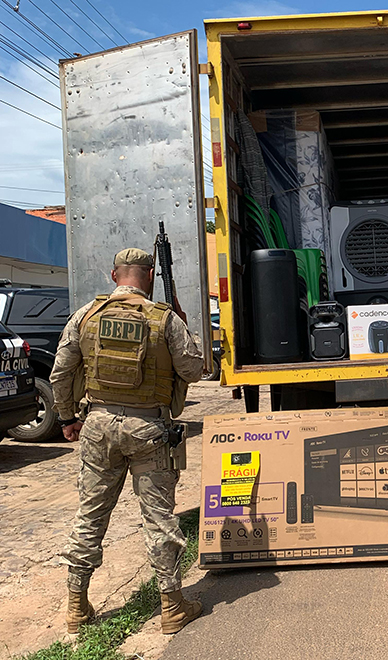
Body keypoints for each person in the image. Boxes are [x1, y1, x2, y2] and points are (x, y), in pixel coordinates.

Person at [50, 248, 205, 635]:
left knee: (90, 515)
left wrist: (67, 418)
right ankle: (172, 607)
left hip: (98, 426)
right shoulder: (164, 319)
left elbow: (61, 373)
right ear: (150, 276)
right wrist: (188, 331)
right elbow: (194, 370)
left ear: (113, 275)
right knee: (159, 518)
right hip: (149, 429)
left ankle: (76, 606)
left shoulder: (86, 315)